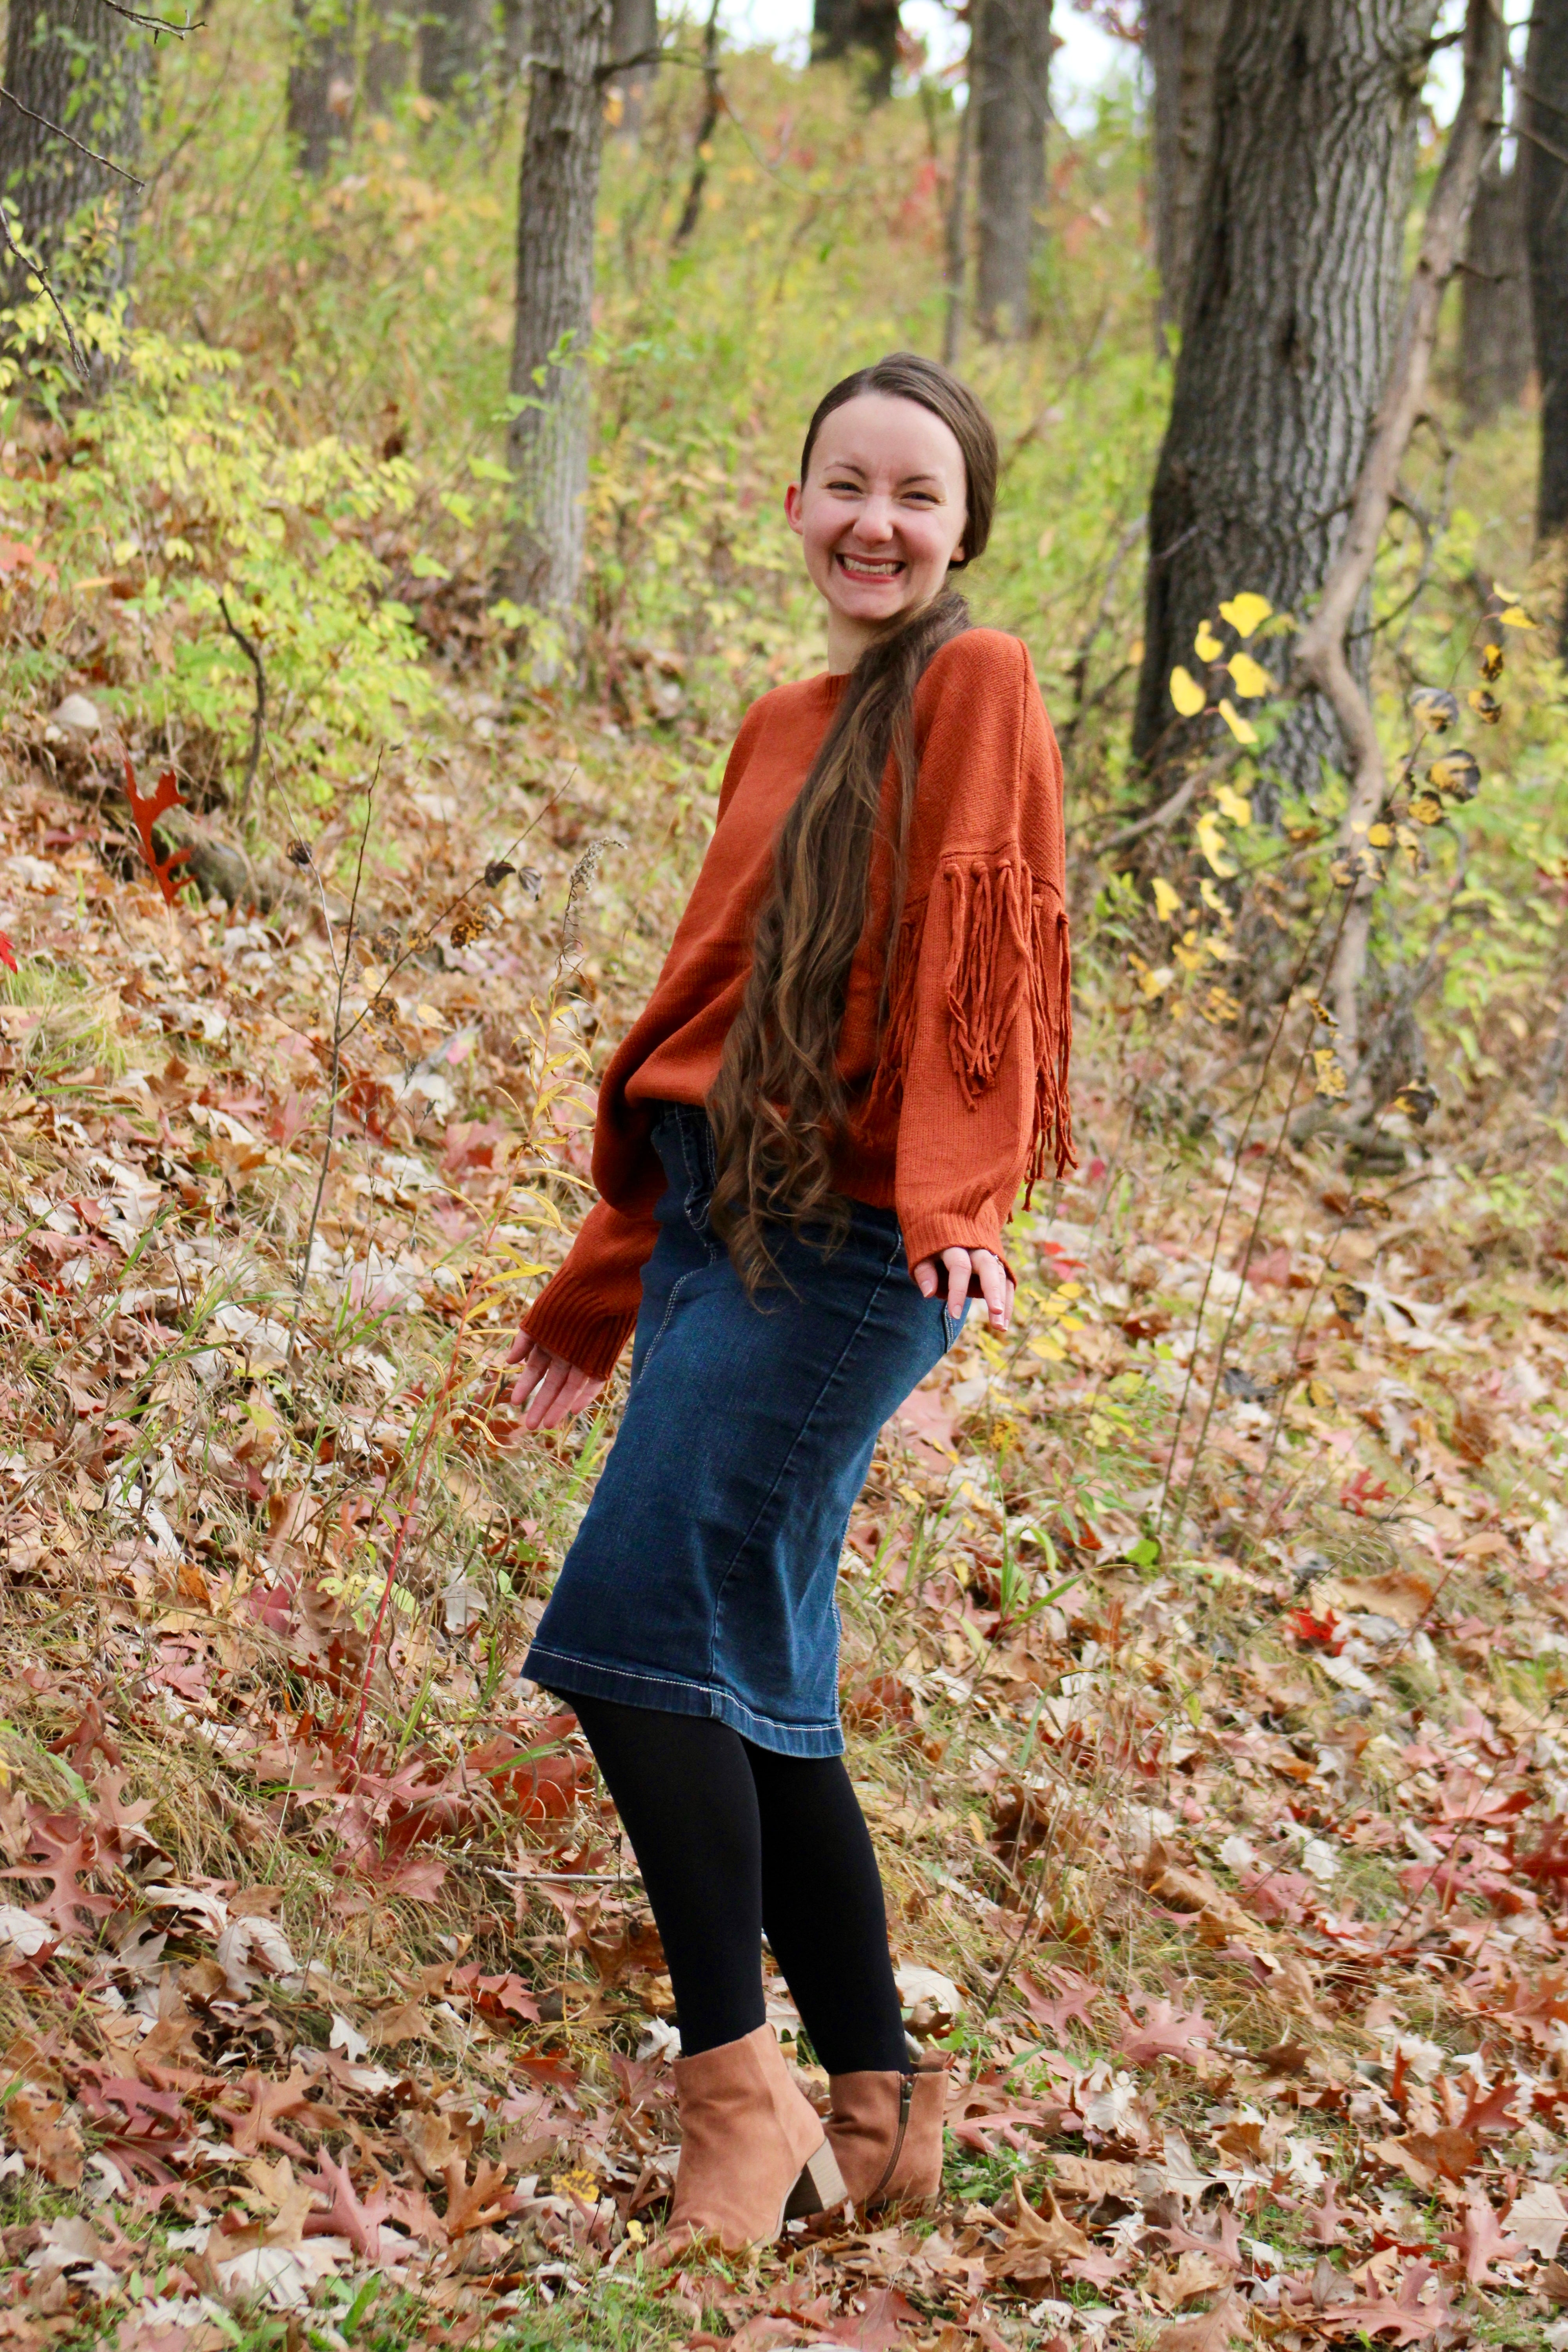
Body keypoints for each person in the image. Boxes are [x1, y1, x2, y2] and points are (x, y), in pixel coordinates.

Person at [506, 351, 1072, 2255]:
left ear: (964, 530)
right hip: (713, 1228)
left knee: (624, 1628)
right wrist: (598, 1286)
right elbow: (703, 1014)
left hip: (854, 1248)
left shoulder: (976, 686)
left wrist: (962, 1194)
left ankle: (733, 2091)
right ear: (794, 504)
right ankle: (881, 2097)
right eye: (846, 482)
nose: (876, 521)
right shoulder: (775, 723)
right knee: (754, 1676)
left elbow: (989, 940)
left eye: (917, 494)